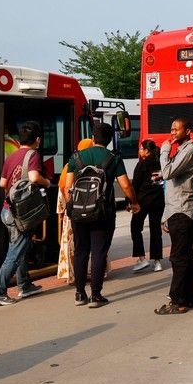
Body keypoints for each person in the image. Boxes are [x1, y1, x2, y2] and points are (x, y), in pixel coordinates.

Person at [62, 121, 138, 308]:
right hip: (103, 212)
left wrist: (73, 206)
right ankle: (96, 295)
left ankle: (80, 294)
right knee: (98, 252)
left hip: (79, 213)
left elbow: (66, 187)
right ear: (110, 139)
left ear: (93, 138)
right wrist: (134, 202)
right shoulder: (113, 159)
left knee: (80, 251)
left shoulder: (76, 157)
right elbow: (126, 185)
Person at [0, 121, 49, 306]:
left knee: (20, 247)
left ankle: (25, 285)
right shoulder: (33, 155)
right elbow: (34, 177)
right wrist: (45, 182)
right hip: (21, 214)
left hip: (7, 210)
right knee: (14, 253)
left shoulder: (11, 156)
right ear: (37, 140)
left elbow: (2, 183)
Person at [154, 117, 193, 315]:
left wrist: (164, 150)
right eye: (171, 129)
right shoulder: (182, 151)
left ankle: (177, 300)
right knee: (184, 258)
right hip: (177, 211)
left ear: (187, 131)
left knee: (178, 258)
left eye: (176, 129)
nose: (172, 132)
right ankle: (188, 297)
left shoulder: (188, 151)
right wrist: (167, 215)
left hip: (182, 211)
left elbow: (168, 172)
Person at [57, 138, 94, 284]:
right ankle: (92, 272)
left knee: (75, 246)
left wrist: (62, 210)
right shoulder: (93, 164)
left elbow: (63, 189)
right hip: (91, 209)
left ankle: (72, 275)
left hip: (73, 212)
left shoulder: (70, 165)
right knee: (91, 243)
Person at [130, 139, 165, 272]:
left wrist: (131, 202)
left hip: (142, 202)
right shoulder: (160, 163)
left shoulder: (142, 165)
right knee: (156, 230)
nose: (139, 151)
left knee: (135, 227)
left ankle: (142, 258)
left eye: (140, 149)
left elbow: (135, 185)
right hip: (158, 201)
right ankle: (157, 262)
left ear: (146, 151)